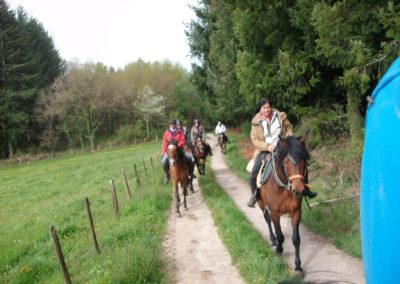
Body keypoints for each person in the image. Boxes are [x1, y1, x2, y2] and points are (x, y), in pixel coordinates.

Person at [247, 98, 317, 208]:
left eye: (268, 107)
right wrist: (267, 146)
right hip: (265, 150)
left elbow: (289, 128)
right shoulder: (255, 122)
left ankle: (306, 189)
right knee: (253, 172)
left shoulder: (280, 116)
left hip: (283, 146)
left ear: (271, 107)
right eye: (264, 108)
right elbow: (254, 139)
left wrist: (288, 137)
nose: (267, 110)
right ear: (261, 109)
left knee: (300, 163)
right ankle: (254, 195)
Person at [161, 119, 195, 184]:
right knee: (163, 161)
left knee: (189, 158)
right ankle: (166, 175)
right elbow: (164, 143)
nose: (172, 125)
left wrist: (177, 146)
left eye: (173, 124)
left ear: (175, 125)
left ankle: (191, 173)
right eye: (171, 124)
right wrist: (163, 152)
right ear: (169, 125)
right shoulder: (167, 132)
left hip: (179, 149)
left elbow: (182, 140)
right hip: (170, 151)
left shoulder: (180, 132)